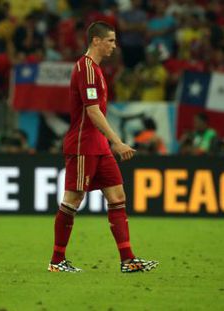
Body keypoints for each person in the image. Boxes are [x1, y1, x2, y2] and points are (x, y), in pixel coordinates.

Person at [48, 21, 158, 273]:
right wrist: (117, 142)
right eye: (110, 40)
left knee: (117, 197)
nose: (114, 45)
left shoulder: (95, 69)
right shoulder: (85, 67)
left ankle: (128, 260)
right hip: (83, 144)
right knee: (73, 199)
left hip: (98, 145)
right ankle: (56, 261)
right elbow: (92, 111)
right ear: (96, 41)